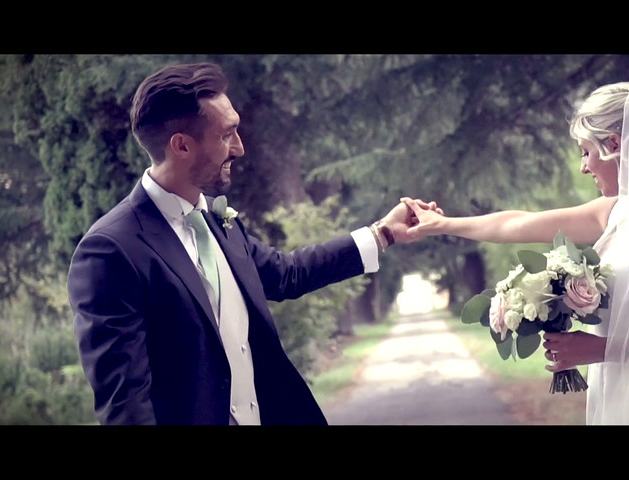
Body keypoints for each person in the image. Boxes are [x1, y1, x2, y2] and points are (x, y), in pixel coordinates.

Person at [67, 62, 440, 425]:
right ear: (181, 146)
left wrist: (383, 233)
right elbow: (126, 404)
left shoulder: (219, 220)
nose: (240, 148)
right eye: (226, 134)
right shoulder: (111, 251)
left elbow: (286, 274)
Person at [401, 78, 629, 425]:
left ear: (615, 144)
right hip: (620, 395)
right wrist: (444, 224)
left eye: (587, 152)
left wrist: (598, 350)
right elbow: (519, 224)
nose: (583, 166)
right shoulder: (615, 211)